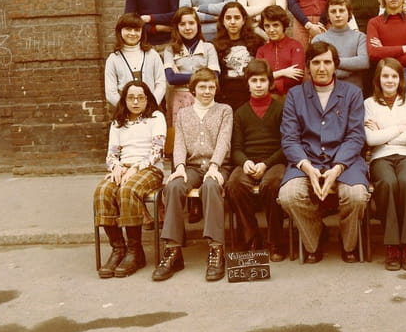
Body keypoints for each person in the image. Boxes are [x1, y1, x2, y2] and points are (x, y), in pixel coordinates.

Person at [278, 42, 370, 263]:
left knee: (356, 196)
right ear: (308, 66)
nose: (321, 68)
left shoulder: (352, 93)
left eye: (327, 62)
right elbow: (289, 138)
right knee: (288, 196)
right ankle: (316, 235)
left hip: (344, 160)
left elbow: (356, 136)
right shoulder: (295, 95)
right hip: (307, 159)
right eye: (316, 62)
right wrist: (307, 168)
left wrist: (337, 169)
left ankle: (348, 242)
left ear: (335, 65)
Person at [153, 68, 233, 282]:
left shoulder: (224, 110)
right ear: (193, 89)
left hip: (219, 166)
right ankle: (173, 250)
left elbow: (224, 141)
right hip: (192, 167)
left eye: (211, 87)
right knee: (174, 187)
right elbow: (179, 142)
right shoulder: (184, 114)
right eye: (202, 87)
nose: (207, 91)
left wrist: (215, 166)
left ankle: (216, 249)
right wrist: (179, 166)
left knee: (211, 186)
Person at [94, 80, 166, 278]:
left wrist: (134, 168)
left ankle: (135, 252)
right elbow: (111, 153)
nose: (135, 102)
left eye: (140, 97)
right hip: (124, 168)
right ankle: (118, 249)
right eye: (131, 98)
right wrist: (116, 167)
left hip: (149, 169)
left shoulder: (156, 117)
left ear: (147, 99)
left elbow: (157, 151)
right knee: (102, 191)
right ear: (124, 100)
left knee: (128, 191)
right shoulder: (118, 122)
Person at [364, 58, 406, 271]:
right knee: (388, 183)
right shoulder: (369, 104)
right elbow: (371, 139)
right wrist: (399, 128)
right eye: (385, 76)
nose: (390, 80)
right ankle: (391, 245)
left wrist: (384, 135)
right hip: (380, 157)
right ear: (378, 79)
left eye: (394, 76)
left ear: (400, 79)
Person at [225, 59, 287, 262]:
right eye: (254, 80)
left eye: (263, 80)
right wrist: (244, 162)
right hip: (249, 162)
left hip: (274, 162)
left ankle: (276, 240)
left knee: (272, 184)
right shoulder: (240, 112)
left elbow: (286, 145)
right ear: (248, 84)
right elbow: (236, 148)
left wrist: (266, 164)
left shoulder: (280, 109)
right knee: (234, 184)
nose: (259, 85)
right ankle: (251, 237)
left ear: (270, 83)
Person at [163, 7, 220, 125]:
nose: (187, 28)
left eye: (191, 23)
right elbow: (171, 78)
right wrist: (202, 75)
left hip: (204, 97)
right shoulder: (170, 50)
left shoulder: (208, 48)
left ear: (198, 25)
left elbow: (214, 76)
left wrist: (180, 76)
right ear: (177, 27)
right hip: (179, 100)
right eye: (182, 24)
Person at [212, 1, 265, 111]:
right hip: (224, 98)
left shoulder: (257, 42)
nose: (232, 22)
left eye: (237, 18)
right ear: (222, 21)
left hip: (250, 96)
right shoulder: (214, 45)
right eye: (228, 18)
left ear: (244, 20)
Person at [104, 13, 166, 107]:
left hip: (151, 109)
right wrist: (126, 109)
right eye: (128, 29)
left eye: (137, 30)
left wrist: (151, 105)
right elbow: (110, 92)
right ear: (120, 31)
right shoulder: (113, 59)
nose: (133, 33)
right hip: (125, 111)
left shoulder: (152, 55)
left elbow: (161, 84)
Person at [312, 0, 369, 90]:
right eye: (333, 11)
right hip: (327, 91)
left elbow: (364, 62)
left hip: (353, 91)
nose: (338, 15)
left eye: (341, 10)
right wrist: (351, 67)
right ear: (328, 15)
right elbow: (317, 66)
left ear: (349, 13)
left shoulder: (360, 37)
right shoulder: (319, 39)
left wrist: (333, 62)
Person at [256, 5, 304, 98]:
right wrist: (283, 72)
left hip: (292, 97)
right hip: (267, 98)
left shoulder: (295, 46)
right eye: (267, 26)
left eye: (275, 25)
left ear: (283, 25)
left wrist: (270, 81)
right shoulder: (262, 50)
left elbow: (297, 76)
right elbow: (258, 77)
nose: (271, 30)